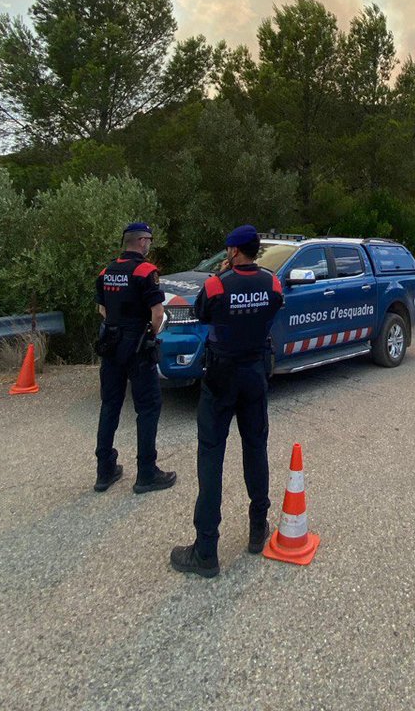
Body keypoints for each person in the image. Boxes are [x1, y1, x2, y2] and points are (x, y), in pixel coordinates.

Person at [170, 224, 283, 579]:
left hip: (220, 376)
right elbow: (273, 308)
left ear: (233, 252)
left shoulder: (217, 284)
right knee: (255, 449)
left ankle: (206, 550)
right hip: (254, 374)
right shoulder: (272, 282)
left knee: (211, 456)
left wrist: (223, 279)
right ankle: (256, 529)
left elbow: (203, 313)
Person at [94, 221, 176, 495]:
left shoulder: (106, 272)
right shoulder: (145, 271)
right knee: (148, 407)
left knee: (110, 406)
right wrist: (150, 334)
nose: (149, 246)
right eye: (149, 241)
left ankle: (105, 471)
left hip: (111, 346)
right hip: (138, 347)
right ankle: (146, 473)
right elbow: (157, 312)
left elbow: (102, 309)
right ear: (142, 242)